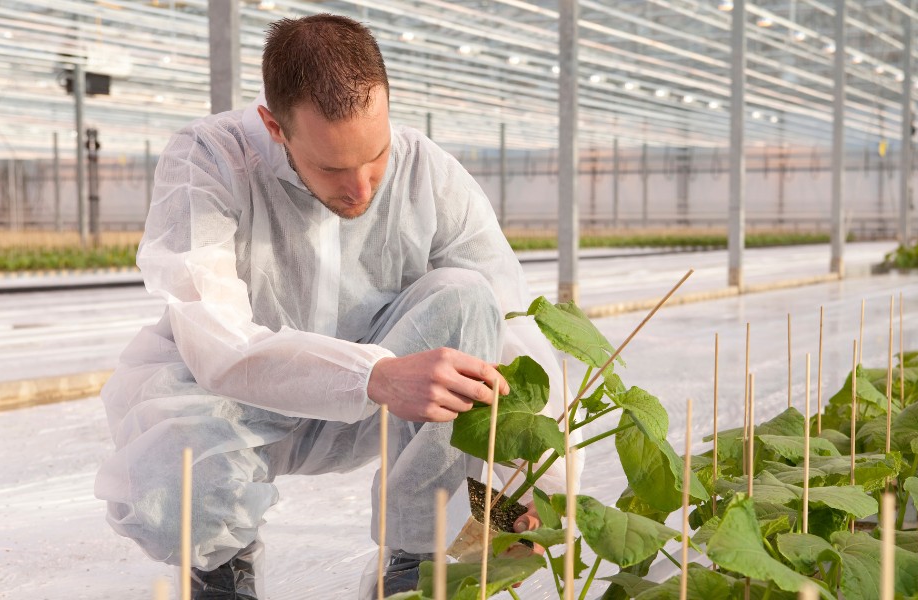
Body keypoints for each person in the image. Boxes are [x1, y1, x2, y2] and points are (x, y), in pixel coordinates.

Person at [94, 13, 577, 599]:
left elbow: (510, 326)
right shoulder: (211, 160)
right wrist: (369, 374)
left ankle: (416, 557)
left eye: (375, 155)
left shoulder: (429, 172)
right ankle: (221, 564)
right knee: (171, 466)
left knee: (467, 296)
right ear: (275, 126)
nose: (362, 188)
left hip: (389, 410)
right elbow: (216, 341)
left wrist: (529, 488)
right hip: (238, 401)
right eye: (331, 167)